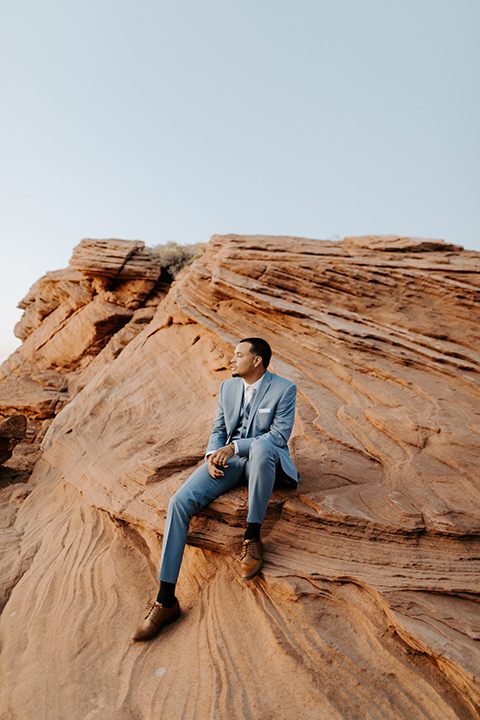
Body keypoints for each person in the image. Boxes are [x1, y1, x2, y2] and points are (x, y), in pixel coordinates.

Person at [131, 337, 299, 642]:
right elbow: (219, 428)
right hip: (228, 461)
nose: (231, 359)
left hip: (262, 460)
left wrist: (235, 447)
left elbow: (277, 436)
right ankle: (166, 600)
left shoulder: (284, 389)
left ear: (257, 360)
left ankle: (252, 537)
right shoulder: (228, 388)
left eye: (238, 355)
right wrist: (211, 456)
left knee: (262, 447)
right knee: (179, 502)